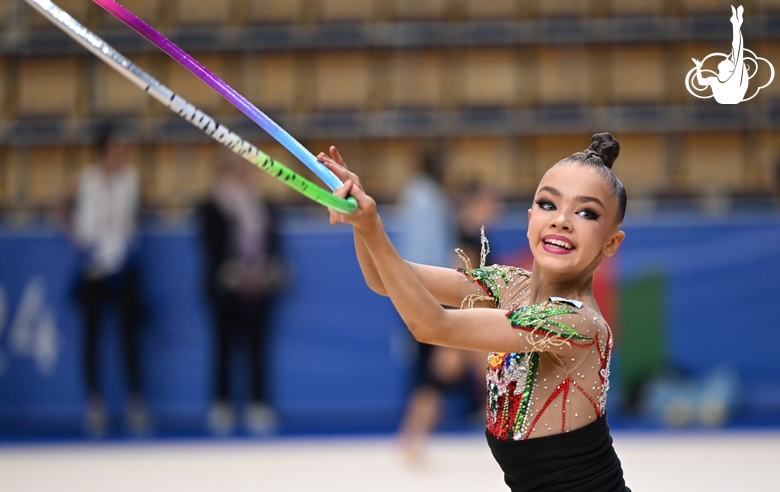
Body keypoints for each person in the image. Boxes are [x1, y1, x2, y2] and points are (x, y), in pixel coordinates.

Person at [318, 133, 630, 491]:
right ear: (530, 218)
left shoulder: (578, 322)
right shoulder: (509, 283)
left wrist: (372, 226)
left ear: (611, 242)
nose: (561, 220)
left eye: (586, 212)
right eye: (548, 204)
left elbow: (432, 325)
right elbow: (386, 279)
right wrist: (362, 225)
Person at [65, 125, 147, 436]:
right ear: (103, 150)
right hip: (92, 266)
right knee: (92, 338)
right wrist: (77, 239)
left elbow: (138, 214)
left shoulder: (132, 180)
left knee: (130, 338)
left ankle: (135, 402)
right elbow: (58, 209)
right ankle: (94, 403)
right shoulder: (85, 179)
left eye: (124, 149)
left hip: (122, 266)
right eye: (116, 148)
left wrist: (129, 241)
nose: (122, 154)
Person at [197, 153, 283, 435]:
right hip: (225, 286)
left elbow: (272, 244)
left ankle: (258, 402)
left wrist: (264, 273)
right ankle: (222, 403)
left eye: (247, 168)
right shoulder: (212, 204)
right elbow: (211, 248)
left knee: (257, 346)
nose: (243, 174)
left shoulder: (262, 204)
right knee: (223, 344)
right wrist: (236, 274)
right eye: (237, 169)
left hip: (258, 286)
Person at [394, 150, 461, 463]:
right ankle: (412, 437)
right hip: (429, 290)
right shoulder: (426, 198)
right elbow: (424, 249)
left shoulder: (426, 196)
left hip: (425, 288)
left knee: (434, 367)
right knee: (432, 368)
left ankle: (413, 436)